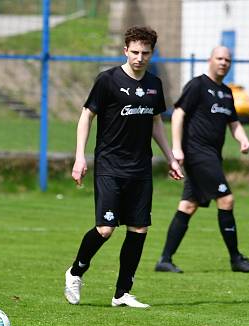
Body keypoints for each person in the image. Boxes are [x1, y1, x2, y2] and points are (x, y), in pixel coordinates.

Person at [64, 26, 183, 308]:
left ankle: (122, 293)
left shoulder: (155, 84)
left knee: (139, 229)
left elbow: (156, 124)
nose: (139, 58)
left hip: (140, 168)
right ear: (125, 51)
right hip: (109, 165)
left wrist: (170, 158)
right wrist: (80, 157)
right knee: (105, 229)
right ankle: (75, 271)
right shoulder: (107, 80)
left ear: (151, 54)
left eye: (145, 53)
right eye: (135, 52)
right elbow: (86, 117)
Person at [155, 46, 249, 273]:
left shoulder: (226, 92)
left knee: (188, 205)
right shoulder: (197, 85)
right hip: (197, 153)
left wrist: (243, 139)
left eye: (227, 60)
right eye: (219, 58)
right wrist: (176, 148)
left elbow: (233, 122)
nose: (223, 62)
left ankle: (165, 260)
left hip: (212, 155)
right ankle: (236, 259)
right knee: (226, 199)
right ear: (210, 60)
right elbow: (179, 113)